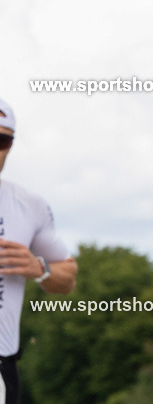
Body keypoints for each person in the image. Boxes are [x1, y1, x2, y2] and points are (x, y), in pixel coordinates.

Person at [0, 98, 78, 403]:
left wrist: (40, 268)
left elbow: (68, 276)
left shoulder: (29, 205)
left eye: (2, 141)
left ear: (11, 146)